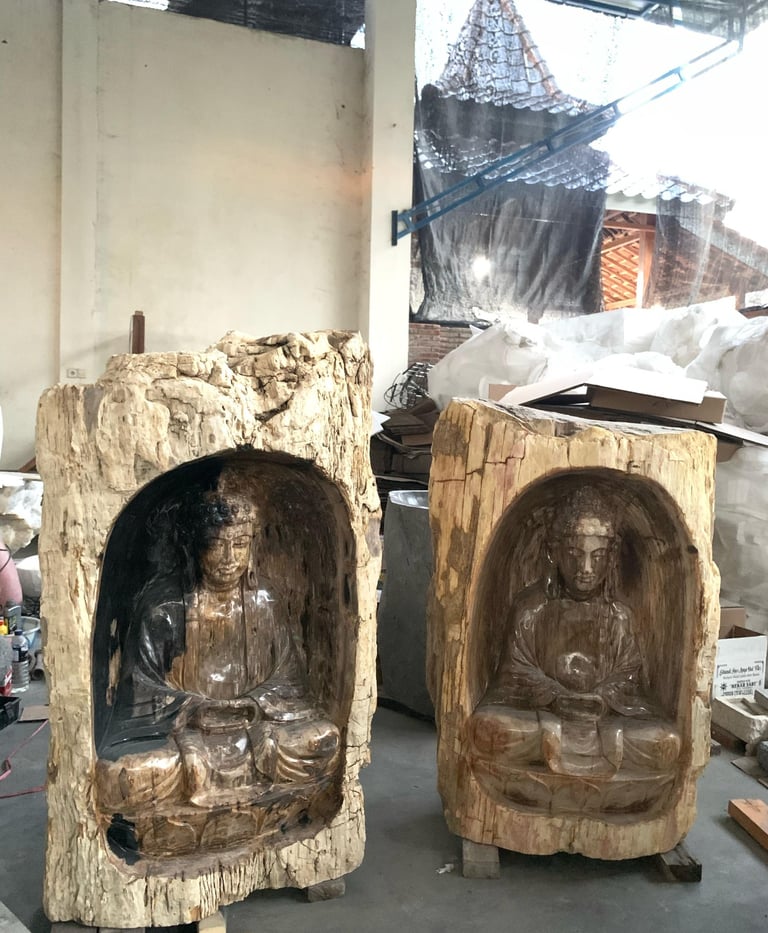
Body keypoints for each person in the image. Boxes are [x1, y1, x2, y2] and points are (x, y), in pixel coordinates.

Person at [96, 467, 340, 822]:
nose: (229, 558)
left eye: (240, 545)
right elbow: (140, 687)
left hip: (257, 726)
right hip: (185, 733)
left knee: (323, 740)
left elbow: (288, 679)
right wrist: (193, 709)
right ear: (194, 547)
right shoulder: (165, 606)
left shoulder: (265, 602)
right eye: (216, 544)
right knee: (129, 774)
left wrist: (253, 704)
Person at [468, 485, 680, 810]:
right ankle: (607, 795)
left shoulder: (619, 616)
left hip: (606, 721)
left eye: (597, 557)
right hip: (543, 718)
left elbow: (630, 679)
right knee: (490, 730)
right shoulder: (531, 608)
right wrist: (554, 695)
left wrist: (601, 698)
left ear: (610, 558)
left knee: (665, 743)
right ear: (554, 553)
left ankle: (554, 788)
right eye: (575, 554)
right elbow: (515, 673)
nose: (586, 568)